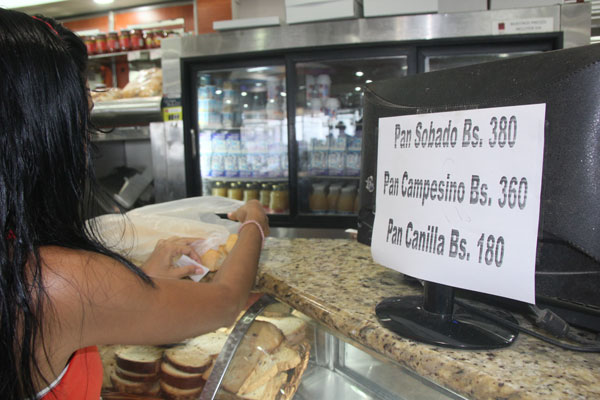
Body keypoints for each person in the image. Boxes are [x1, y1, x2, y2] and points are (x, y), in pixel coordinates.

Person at [0, 8, 270, 400]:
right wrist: (255, 221)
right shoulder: (56, 280)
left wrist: (138, 278)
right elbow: (225, 302)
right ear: (42, 138)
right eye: (83, 123)